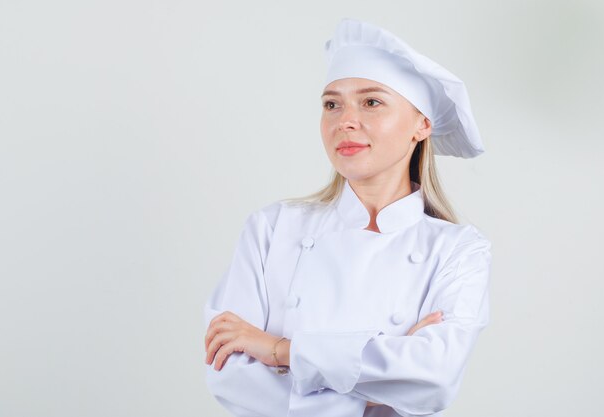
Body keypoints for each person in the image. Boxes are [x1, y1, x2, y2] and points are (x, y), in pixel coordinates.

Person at [203, 18, 492, 417]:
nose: (345, 121)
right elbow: (229, 375)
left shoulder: (458, 250)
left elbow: (434, 379)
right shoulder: (271, 229)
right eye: (331, 104)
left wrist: (279, 351)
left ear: (421, 125)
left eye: (371, 102)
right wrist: (377, 389)